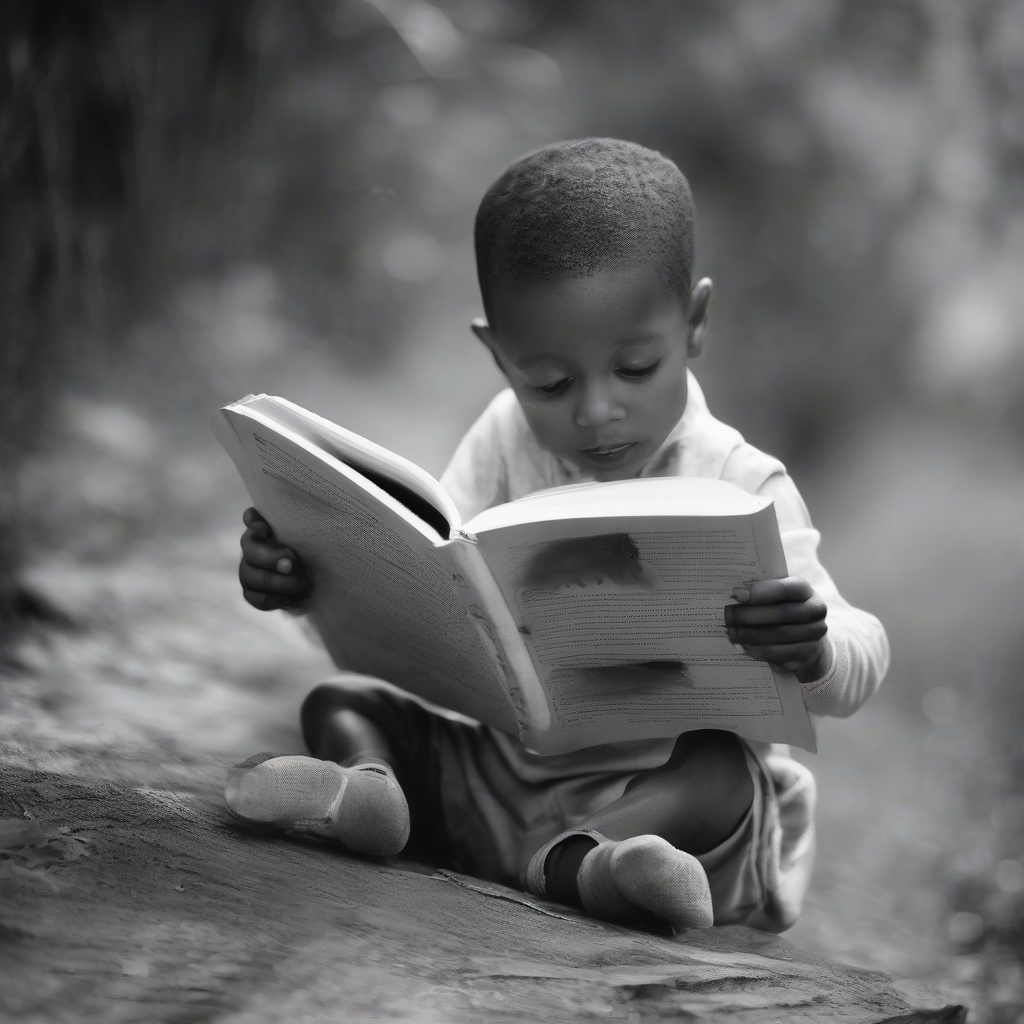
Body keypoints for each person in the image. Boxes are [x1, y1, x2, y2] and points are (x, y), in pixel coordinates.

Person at [225, 138, 889, 934]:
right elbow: (435, 576)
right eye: (549, 382)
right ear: (497, 354)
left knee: (723, 772)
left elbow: (865, 652)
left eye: (637, 367)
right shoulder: (504, 438)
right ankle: (368, 794)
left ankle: (597, 861)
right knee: (344, 701)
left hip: (658, 803)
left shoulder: (739, 480)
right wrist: (308, 578)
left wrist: (811, 649)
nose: (596, 409)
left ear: (696, 323)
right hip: (498, 774)